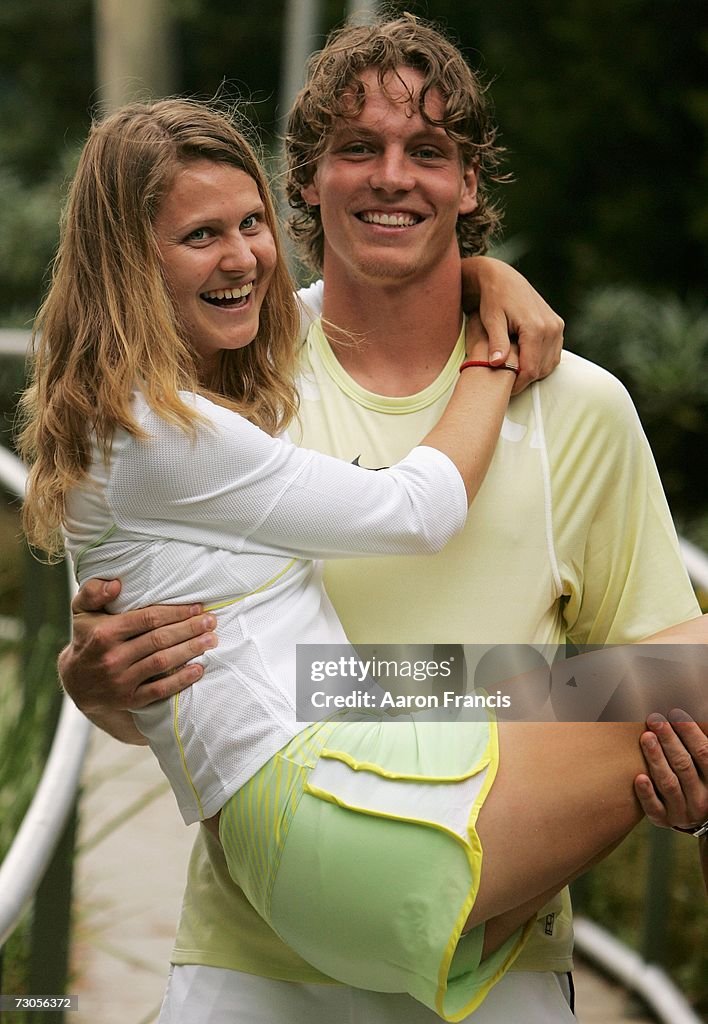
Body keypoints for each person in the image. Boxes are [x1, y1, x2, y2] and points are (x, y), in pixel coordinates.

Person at [53, 14, 708, 1024]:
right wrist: (91, 681)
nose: (392, 177)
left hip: (502, 959)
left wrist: (685, 774)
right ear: (306, 181)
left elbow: (661, 668)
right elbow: (179, 672)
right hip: (256, 962)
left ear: (471, 184)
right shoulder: (231, 372)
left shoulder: (582, 405)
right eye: (358, 149)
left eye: (428, 153)